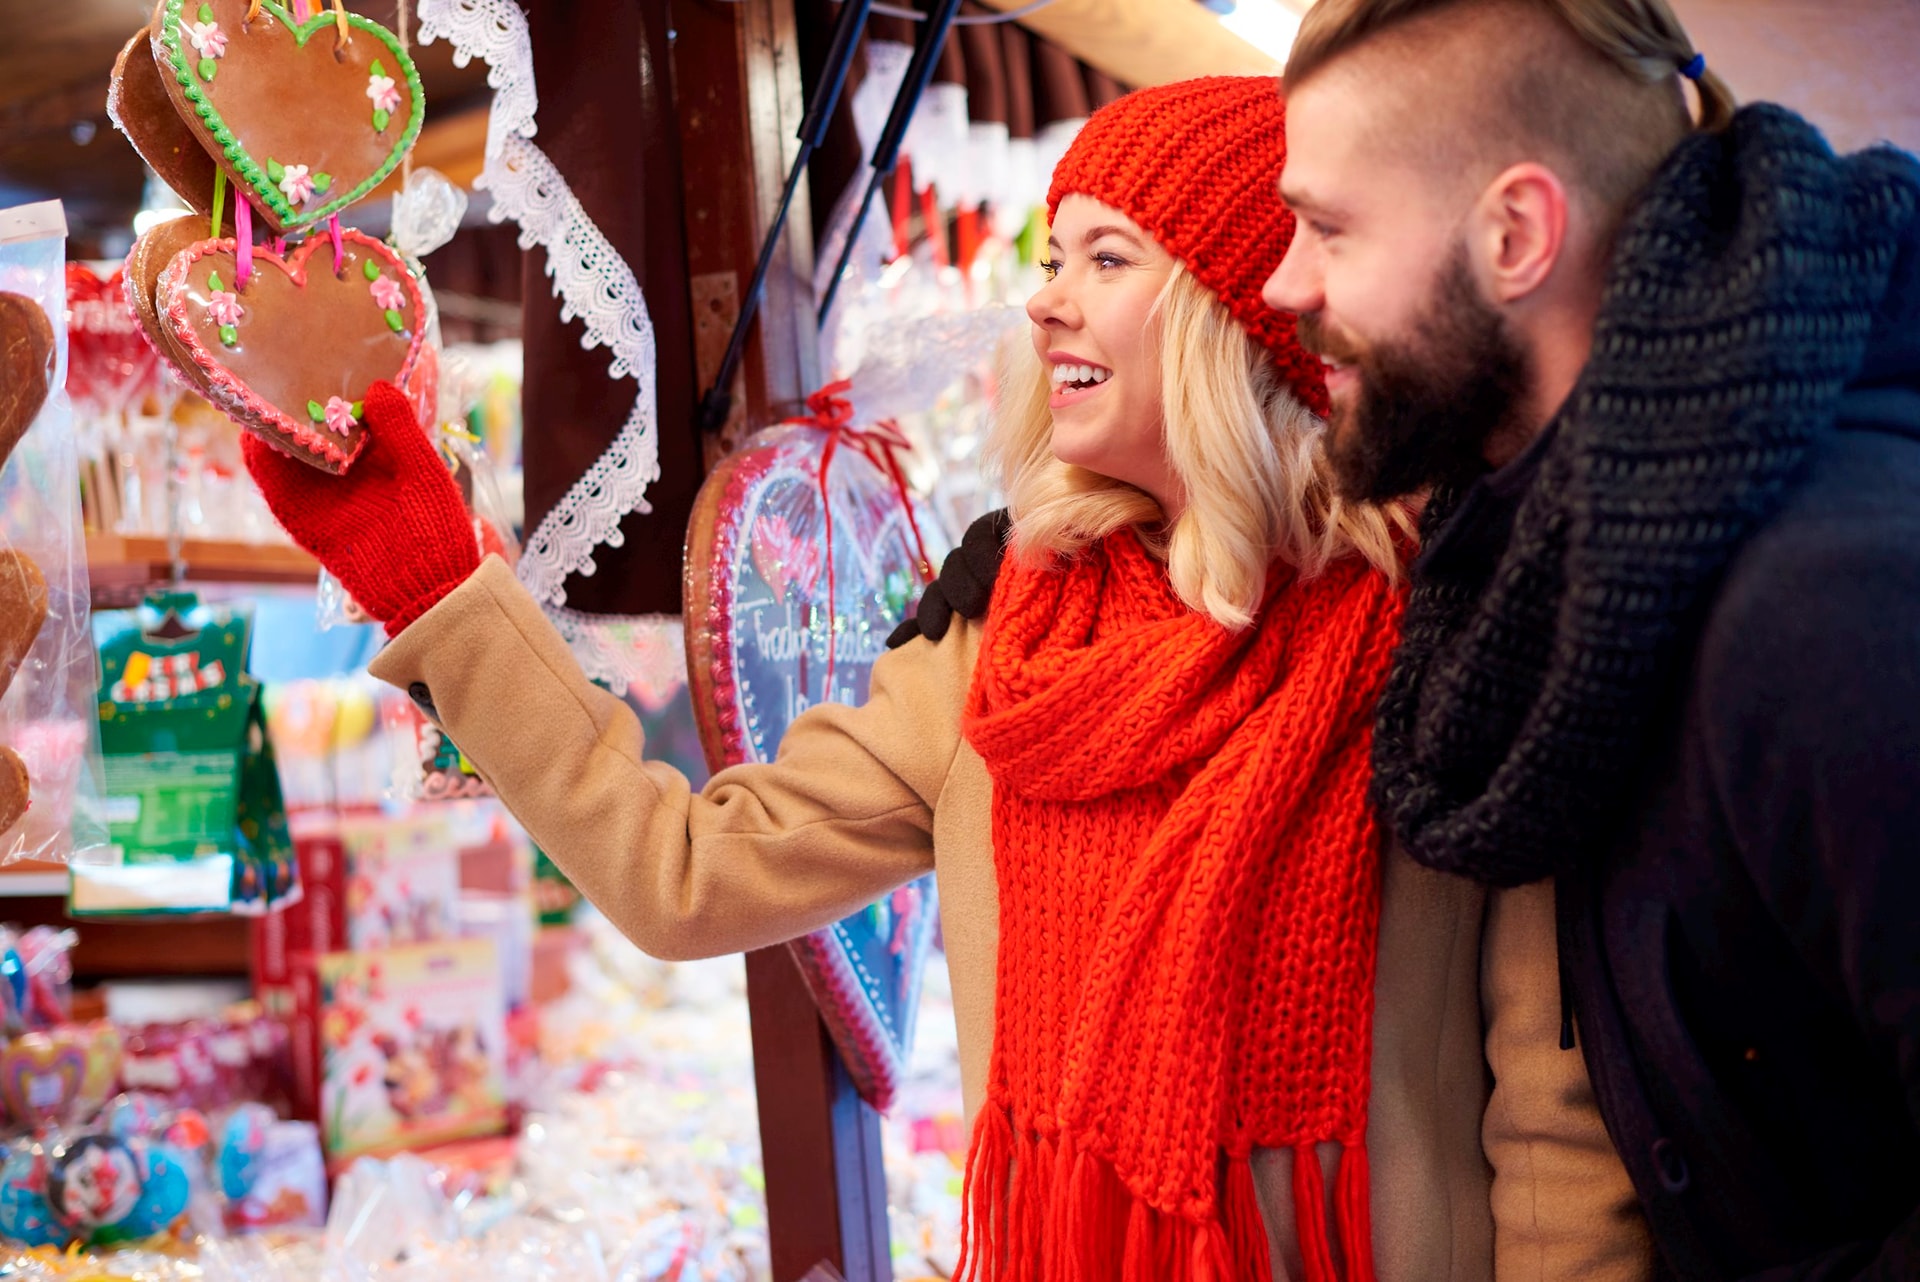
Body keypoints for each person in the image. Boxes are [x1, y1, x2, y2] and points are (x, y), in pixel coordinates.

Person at [246, 78, 1502, 1281]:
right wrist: (441, 588)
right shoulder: (1005, 644)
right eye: (1052, 259)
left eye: (1108, 260)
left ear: (1252, 308)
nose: (1046, 303)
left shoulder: (1439, 628)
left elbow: (1556, 1119)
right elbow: (683, 872)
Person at [1264, 1, 1920, 1278]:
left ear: (1515, 234)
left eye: (1328, 227)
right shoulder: (1547, 559)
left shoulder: (1822, 606)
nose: (1284, 282)